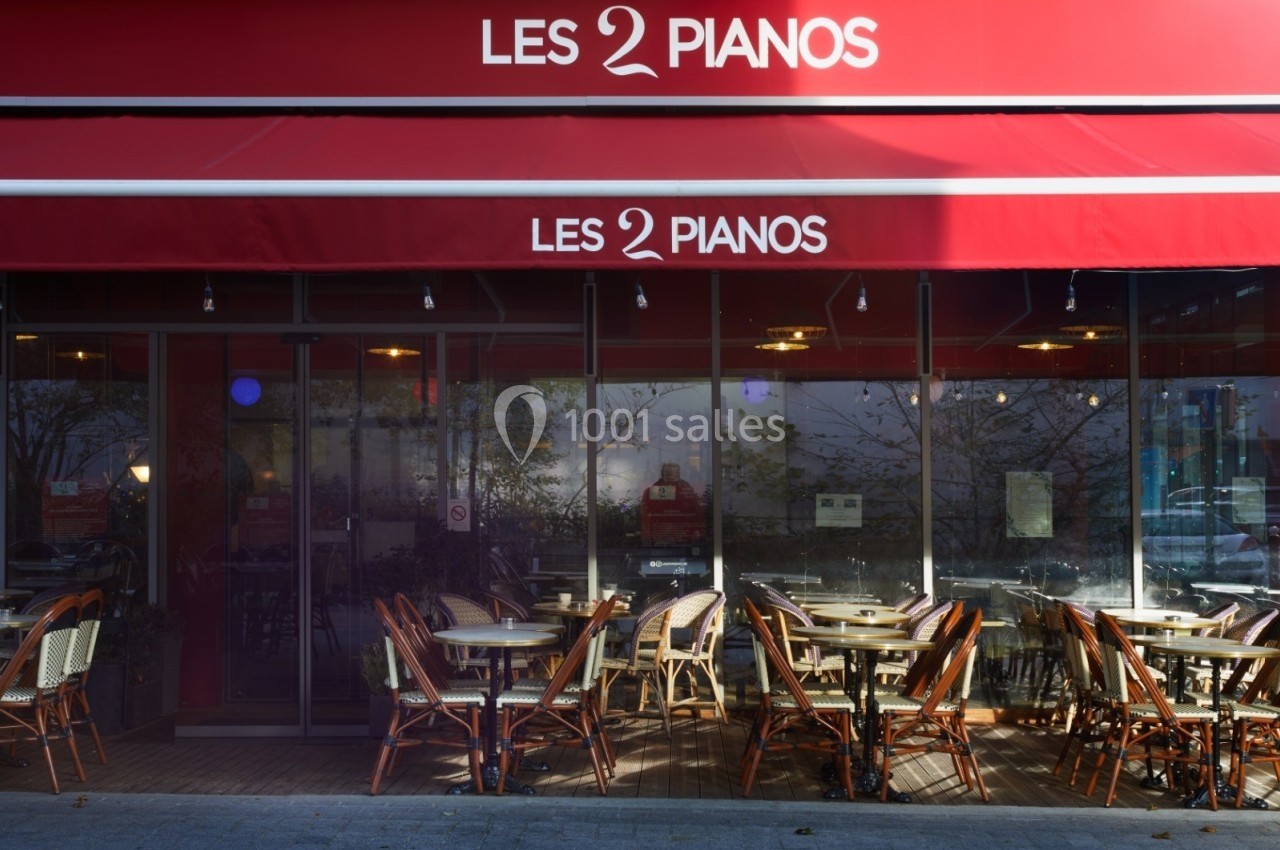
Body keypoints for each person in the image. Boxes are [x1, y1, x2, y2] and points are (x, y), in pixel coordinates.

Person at [640, 463, 703, 546]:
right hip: (662, 532)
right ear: (663, 473)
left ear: (678, 473)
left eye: (674, 472)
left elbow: (695, 508)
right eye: (668, 472)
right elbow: (646, 512)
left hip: (682, 532)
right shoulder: (653, 490)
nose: (672, 474)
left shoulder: (685, 487)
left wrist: (696, 529)